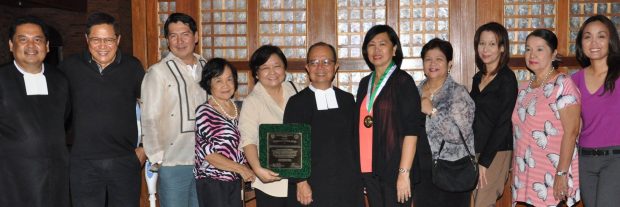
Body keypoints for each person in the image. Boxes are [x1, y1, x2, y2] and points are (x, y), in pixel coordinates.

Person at [58, 12, 146, 207]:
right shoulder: (69, 67)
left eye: (109, 39)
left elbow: (150, 108)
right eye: (96, 39)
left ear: (118, 39)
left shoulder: (133, 67)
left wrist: (145, 147)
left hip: (125, 159)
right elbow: (56, 110)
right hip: (83, 161)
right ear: (87, 39)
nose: (103, 45)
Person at [283, 42, 364, 207]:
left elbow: (356, 143)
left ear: (336, 67)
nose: (320, 67)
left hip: (347, 184)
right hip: (311, 186)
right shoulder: (296, 102)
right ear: (307, 67)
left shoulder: (347, 100)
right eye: (314, 62)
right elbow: (290, 147)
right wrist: (301, 182)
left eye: (326, 62)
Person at [0, 16, 70, 207]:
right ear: (10, 45)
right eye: (23, 39)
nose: (31, 45)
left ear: (47, 46)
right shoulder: (2, 79)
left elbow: (63, 118)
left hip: (55, 177)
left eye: (37, 40)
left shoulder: (60, 80)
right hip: (11, 180)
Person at [354, 24, 424, 207]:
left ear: (394, 49)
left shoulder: (403, 82)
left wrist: (403, 173)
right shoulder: (364, 83)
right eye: (371, 44)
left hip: (395, 170)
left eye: (382, 44)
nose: (376, 49)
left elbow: (412, 131)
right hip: (369, 168)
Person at [141, 12, 206, 207]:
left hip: (207, 161)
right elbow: (149, 118)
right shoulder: (157, 72)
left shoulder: (208, 67)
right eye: (173, 36)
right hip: (173, 161)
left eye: (185, 34)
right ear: (167, 40)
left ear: (195, 37)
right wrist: (158, 158)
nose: (179, 41)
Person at [511, 29, 581, 206]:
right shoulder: (524, 89)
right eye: (528, 49)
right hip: (527, 171)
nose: (532, 54)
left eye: (540, 49)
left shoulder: (562, 84)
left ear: (554, 54)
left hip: (551, 173)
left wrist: (561, 174)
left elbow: (572, 131)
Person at [413, 38, 476, 207]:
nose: (433, 63)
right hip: (421, 172)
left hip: (451, 171)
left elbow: (457, 135)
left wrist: (432, 111)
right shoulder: (414, 92)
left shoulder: (458, 93)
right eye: (428, 59)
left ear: (449, 63)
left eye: (439, 59)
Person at [238, 45, 300, 206]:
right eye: (265, 68)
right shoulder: (252, 102)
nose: (272, 72)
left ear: (284, 68)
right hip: (270, 179)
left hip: (299, 178)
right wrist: (257, 169)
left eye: (277, 66)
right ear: (256, 74)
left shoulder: (296, 90)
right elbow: (248, 139)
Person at [572, 15, 620, 207]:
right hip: (585, 160)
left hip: (616, 159)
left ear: (611, 40)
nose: (594, 42)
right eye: (587, 37)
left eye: (601, 36)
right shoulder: (574, 80)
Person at [194, 58, 255, 207]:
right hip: (213, 182)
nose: (225, 85)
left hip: (235, 180)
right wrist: (241, 169)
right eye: (218, 81)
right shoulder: (205, 112)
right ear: (209, 83)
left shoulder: (239, 108)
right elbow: (208, 154)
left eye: (229, 79)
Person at [469, 22, 518, 207]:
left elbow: (504, 121)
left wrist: (485, 161)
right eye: (482, 43)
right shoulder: (478, 78)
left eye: (492, 44)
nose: (485, 49)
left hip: (497, 151)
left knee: (483, 203)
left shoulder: (506, 78)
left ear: (502, 47)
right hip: (476, 149)